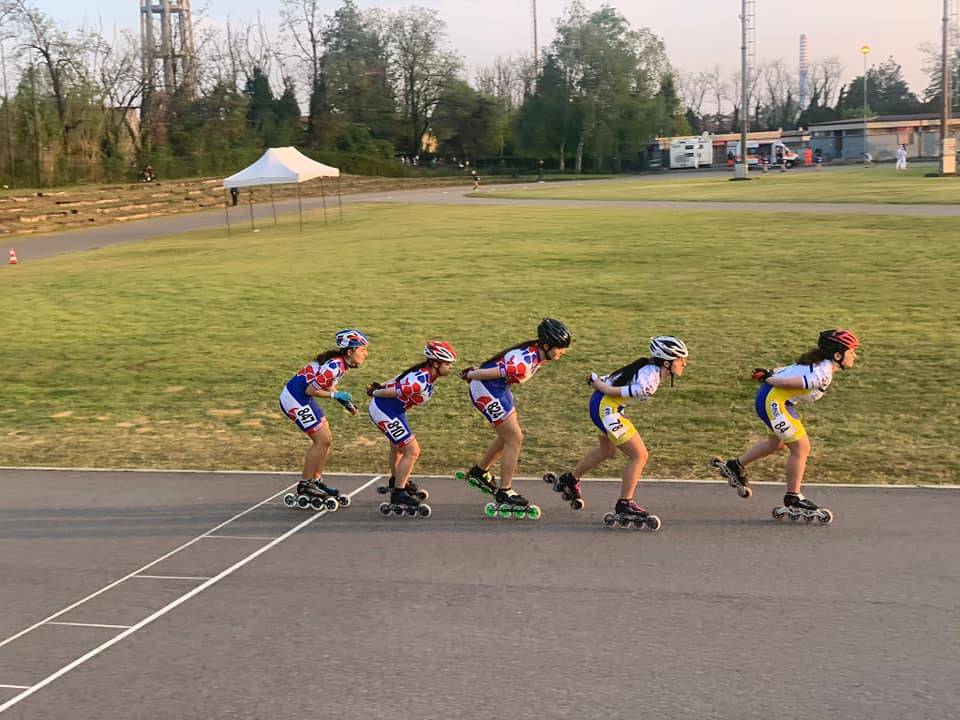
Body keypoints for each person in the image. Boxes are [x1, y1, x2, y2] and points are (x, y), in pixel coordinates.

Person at [711, 329, 860, 524]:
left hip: (775, 400)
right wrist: (768, 377)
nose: (854, 355)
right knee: (801, 447)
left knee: (777, 444)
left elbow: (787, 370)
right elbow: (790, 381)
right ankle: (793, 497)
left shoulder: (820, 365)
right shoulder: (823, 373)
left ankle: (735, 466)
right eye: (851, 352)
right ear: (837, 355)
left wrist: (768, 375)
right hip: (773, 401)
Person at [550, 337, 689, 530]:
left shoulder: (648, 369)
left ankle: (570, 479)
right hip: (606, 407)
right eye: (681, 359)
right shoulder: (649, 380)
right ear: (667, 362)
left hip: (600, 403)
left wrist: (596, 380)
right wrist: (596, 382)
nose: (684, 363)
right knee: (639, 455)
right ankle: (625, 504)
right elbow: (609, 389)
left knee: (607, 451)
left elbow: (612, 381)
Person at [459, 318, 572, 514]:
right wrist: (471, 375)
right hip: (486, 389)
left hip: (500, 389)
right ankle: (505, 491)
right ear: (546, 345)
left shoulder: (537, 354)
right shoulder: (522, 364)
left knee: (509, 435)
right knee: (514, 438)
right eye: (560, 348)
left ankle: (480, 472)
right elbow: (491, 372)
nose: (563, 352)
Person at [279, 329, 369, 510]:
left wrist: (345, 401)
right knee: (321, 440)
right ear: (350, 351)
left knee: (326, 440)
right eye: (362, 349)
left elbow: (327, 383)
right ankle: (305, 485)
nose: (365, 353)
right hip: (295, 399)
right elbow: (311, 390)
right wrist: (336, 396)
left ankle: (316, 479)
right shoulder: (334, 366)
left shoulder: (341, 364)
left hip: (301, 397)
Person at [367, 341, 458, 517]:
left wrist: (380, 386)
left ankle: (397, 481)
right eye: (448, 364)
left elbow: (396, 379)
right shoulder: (419, 381)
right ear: (435, 363)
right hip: (384, 410)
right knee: (412, 450)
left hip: (394, 410)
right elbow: (393, 391)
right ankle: (399, 493)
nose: (450, 368)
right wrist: (376, 392)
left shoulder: (426, 373)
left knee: (399, 447)